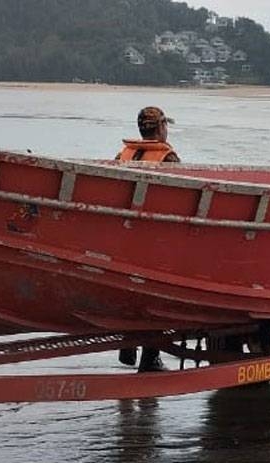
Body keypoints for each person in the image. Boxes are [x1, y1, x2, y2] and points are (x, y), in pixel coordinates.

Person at [115, 106, 179, 372]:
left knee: (130, 294)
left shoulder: (123, 154)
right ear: (160, 127)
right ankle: (150, 358)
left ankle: (128, 345)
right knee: (159, 299)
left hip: (125, 237)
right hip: (155, 239)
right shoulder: (168, 158)